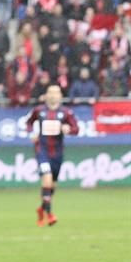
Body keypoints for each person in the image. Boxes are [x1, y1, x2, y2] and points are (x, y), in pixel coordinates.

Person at [26, 84, 79, 226]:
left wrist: (68, 129)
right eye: (51, 92)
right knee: (47, 179)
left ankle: (41, 209)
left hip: (57, 153)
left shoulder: (66, 112)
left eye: (56, 92)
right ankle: (49, 215)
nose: (53, 95)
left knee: (51, 186)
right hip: (41, 150)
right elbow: (29, 123)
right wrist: (32, 133)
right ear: (46, 95)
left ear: (61, 96)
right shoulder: (39, 110)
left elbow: (76, 129)